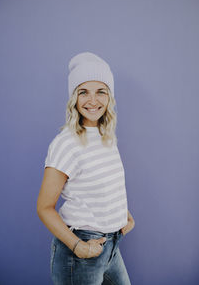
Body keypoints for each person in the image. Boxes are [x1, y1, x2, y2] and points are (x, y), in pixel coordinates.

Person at [37, 52, 135, 285]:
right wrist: (77, 246)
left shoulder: (106, 136)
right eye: (84, 92)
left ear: (109, 97)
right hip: (81, 251)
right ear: (74, 98)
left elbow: (107, 183)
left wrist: (123, 214)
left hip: (112, 246)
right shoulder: (66, 143)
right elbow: (44, 207)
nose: (93, 100)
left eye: (100, 91)